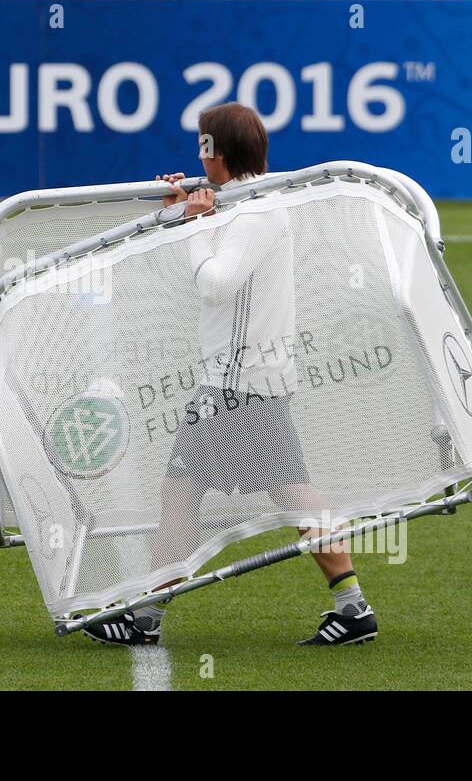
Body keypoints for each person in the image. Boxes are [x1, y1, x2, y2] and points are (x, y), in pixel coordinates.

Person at [84, 102, 378, 648]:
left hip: (235, 389)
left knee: (190, 494)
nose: (199, 157)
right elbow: (223, 270)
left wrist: (193, 225)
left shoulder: (256, 212)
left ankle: (147, 617)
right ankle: (351, 606)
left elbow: (216, 282)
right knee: (272, 493)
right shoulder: (247, 205)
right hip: (243, 385)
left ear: (217, 151)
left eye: (203, 146)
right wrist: (184, 214)